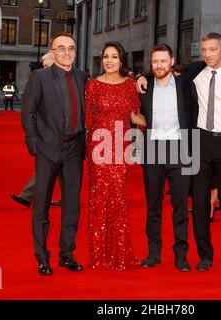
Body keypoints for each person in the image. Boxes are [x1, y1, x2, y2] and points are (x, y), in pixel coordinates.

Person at [138, 33, 221, 273]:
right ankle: (205, 256)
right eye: (203, 49)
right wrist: (142, 76)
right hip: (199, 143)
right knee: (201, 203)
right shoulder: (195, 72)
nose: (207, 54)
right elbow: (160, 72)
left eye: (212, 49)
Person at [21, 32, 88, 275]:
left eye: (71, 48)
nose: (67, 53)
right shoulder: (39, 77)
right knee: (41, 207)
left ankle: (67, 254)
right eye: (61, 48)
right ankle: (42, 257)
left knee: (72, 206)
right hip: (47, 149)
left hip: (74, 149)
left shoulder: (82, 76)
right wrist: (35, 143)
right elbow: (27, 112)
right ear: (53, 51)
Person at [85, 41, 142, 271]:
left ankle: (119, 253)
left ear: (121, 60)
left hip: (120, 146)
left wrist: (162, 126)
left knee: (117, 198)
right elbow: (88, 121)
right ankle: (99, 254)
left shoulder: (130, 85)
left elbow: (135, 116)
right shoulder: (92, 86)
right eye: (106, 56)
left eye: (114, 56)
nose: (109, 60)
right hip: (98, 147)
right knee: (99, 198)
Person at [138, 44, 191, 272]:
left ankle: (181, 256)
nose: (159, 65)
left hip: (182, 148)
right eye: (154, 62)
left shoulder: (185, 85)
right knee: (153, 205)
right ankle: (153, 254)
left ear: (172, 61)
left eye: (163, 61)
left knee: (180, 206)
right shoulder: (144, 88)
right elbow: (136, 115)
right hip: (153, 150)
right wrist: (138, 77)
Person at [10, 52, 61, 208]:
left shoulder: (67, 81)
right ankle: (28, 196)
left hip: (61, 134)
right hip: (48, 134)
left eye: (46, 65)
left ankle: (28, 197)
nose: (43, 68)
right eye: (43, 65)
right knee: (52, 168)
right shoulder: (41, 80)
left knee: (52, 168)